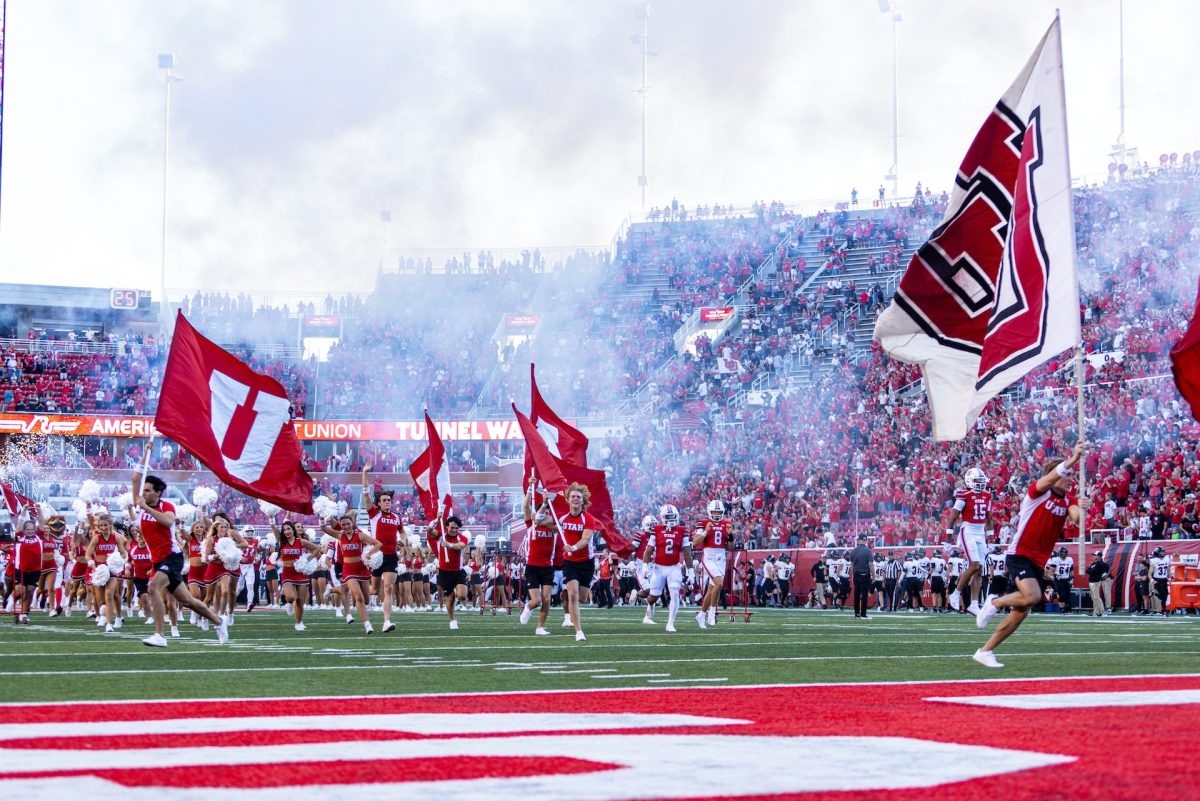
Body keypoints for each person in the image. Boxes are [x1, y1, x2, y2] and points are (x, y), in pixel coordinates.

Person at [975, 443, 1088, 668]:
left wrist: (1083, 509)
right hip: (1020, 554)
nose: (1070, 480)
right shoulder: (1037, 491)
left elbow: (1076, 518)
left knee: (1022, 612)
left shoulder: (1068, 500)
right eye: (1067, 476)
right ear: (1055, 476)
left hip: (1038, 561)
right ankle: (994, 602)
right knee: (1033, 597)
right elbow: (1053, 476)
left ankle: (985, 651)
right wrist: (1074, 458)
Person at [132, 446, 227, 648]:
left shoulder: (166, 506)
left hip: (171, 557)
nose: (144, 493)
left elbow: (167, 522)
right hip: (157, 561)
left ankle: (159, 634)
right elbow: (135, 478)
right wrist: (144, 454)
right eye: (144, 490)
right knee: (188, 601)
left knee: (152, 587)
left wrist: (146, 507)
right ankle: (219, 621)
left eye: (148, 490)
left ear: (158, 493)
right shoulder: (140, 503)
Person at [321, 513, 383, 634]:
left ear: (352, 524)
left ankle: (361, 611)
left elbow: (378, 544)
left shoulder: (360, 536)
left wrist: (369, 555)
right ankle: (367, 625)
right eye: (343, 525)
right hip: (348, 570)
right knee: (358, 597)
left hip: (361, 568)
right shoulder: (339, 536)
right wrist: (322, 516)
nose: (346, 526)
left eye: (348, 524)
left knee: (365, 599)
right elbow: (323, 527)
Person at [557, 483, 599, 642]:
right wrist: (538, 514)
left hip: (586, 562)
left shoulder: (588, 519)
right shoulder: (561, 518)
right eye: (573, 496)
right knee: (572, 595)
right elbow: (545, 523)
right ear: (567, 499)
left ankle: (575, 613)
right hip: (569, 562)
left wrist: (573, 547)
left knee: (581, 598)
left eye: (578, 497)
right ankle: (579, 631)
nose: (575, 499)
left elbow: (586, 539)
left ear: (583, 501)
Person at [948, 467, 992, 614]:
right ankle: (956, 593)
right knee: (974, 565)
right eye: (977, 481)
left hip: (980, 533)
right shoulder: (963, 495)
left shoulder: (986, 495)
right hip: (968, 531)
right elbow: (953, 517)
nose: (980, 483)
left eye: (981, 480)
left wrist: (990, 539)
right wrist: (948, 540)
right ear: (970, 481)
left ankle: (974, 604)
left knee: (979, 570)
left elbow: (989, 518)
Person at [363, 466, 401, 632]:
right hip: (377, 556)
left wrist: (404, 542)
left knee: (389, 588)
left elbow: (401, 531)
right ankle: (353, 592)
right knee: (373, 590)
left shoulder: (396, 517)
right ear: (378, 503)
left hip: (391, 556)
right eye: (384, 500)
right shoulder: (374, 514)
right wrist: (364, 473)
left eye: (389, 500)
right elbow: (365, 494)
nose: (387, 502)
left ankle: (386, 621)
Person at [642, 507, 692, 632]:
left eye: (673, 516)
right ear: (663, 517)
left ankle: (670, 623)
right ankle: (648, 608)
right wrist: (644, 566)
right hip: (659, 567)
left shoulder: (682, 530)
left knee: (675, 593)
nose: (671, 519)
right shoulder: (657, 529)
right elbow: (649, 550)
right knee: (654, 596)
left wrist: (690, 571)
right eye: (668, 517)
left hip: (674, 567)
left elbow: (687, 552)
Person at [518, 488, 557, 635]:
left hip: (548, 566)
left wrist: (541, 513)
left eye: (548, 513)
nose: (546, 515)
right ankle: (528, 607)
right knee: (537, 600)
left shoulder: (553, 527)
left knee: (547, 599)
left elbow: (550, 522)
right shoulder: (531, 525)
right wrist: (529, 489)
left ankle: (539, 627)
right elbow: (525, 506)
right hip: (532, 566)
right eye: (544, 513)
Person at [275, 519, 324, 631]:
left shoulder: (300, 541)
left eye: (288, 529)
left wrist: (309, 558)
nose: (286, 531)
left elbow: (316, 548)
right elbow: (273, 527)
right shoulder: (281, 541)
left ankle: (298, 623)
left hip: (300, 573)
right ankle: (288, 603)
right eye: (284, 530)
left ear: (293, 530)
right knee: (291, 597)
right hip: (287, 573)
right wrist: (272, 517)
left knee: (300, 601)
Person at [692, 499, 733, 629]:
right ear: (710, 511)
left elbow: (730, 547)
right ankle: (712, 612)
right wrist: (705, 531)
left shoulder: (726, 523)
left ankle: (701, 615)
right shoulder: (703, 522)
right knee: (719, 584)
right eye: (714, 512)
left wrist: (731, 535)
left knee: (711, 590)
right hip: (709, 556)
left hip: (721, 557)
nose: (716, 514)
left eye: (719, 512)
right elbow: (695, 542)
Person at [83, 513, 128, 633]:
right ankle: (103, 615)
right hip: (99, 569)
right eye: (101, 525)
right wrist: (93, 566)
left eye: (105, 525)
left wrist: (119, 559)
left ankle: (109, 624)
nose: (103, 528)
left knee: (109, 595)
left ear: (110, 525)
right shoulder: (96, 537)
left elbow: (123, 553)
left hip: (112, 569)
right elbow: (88, 554)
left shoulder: (116, 537)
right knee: (100, 599)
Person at [427, 515, 468, 630]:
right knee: (450, 599)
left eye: (456, 528)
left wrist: (449, 545)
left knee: (462, 596)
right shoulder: (441, 536)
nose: (454, 530)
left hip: (458, 571)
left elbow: (460, 546)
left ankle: (458, 589)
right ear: (446, 527)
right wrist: (435, 520)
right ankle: (452, 620)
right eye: (452, 528)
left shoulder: (462, 538)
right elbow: (429, 530)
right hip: (445, 572)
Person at [1045, 546, 1075, 614]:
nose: (1063, 554)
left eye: (1065, 552)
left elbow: (1071, 570)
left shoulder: (1070, 559)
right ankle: (1062, 609)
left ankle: (1068, 609)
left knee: (1068, 594)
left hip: (1066, 579)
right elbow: (1050, 571)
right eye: (1062, 552)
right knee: (1062, 595)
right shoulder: (1056, 560)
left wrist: (1072, 578)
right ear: (1059, 553)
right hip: (1058, 579)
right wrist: (1055, 576)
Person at [849, 535, 873, 619]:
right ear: (866, 540)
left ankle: (856, 613)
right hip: (865, 575)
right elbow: (870, 564)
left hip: (856, 575)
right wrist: (873, 575)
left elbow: (851, 564)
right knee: (864, 595)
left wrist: (852, 575)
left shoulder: (854, 551)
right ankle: (863, 613)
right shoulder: (868, 551)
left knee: (857, 594)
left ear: (859, 540)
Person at [1086, 550, 1112, 617]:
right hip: (1091, 582)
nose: (1094, 556)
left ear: (1099, 557)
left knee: (1097, 597)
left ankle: (1103, 611)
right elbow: (1088, 570)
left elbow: (1092, 571)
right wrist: (1090, 571)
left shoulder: (1100, 564)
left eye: (1095, 555)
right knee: (1094, 598)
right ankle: (1096, 611)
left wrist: (1090, 571)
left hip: (1095, 582)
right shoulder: (1094, 563)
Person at [1148, 546, 1170, 616]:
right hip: (1157, 580)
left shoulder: (1167, 559)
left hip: (1164, 580)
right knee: (1163, 596)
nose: (1163, 552)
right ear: (1158, 553)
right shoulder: (1154, 560)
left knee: (1165, 596)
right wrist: (1152, 580)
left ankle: (1154, 593)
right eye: (1161, 552)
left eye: (1163, 551)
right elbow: (1149, 573)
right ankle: (1164, 611)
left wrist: (1169, 577)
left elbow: (1168, 569)